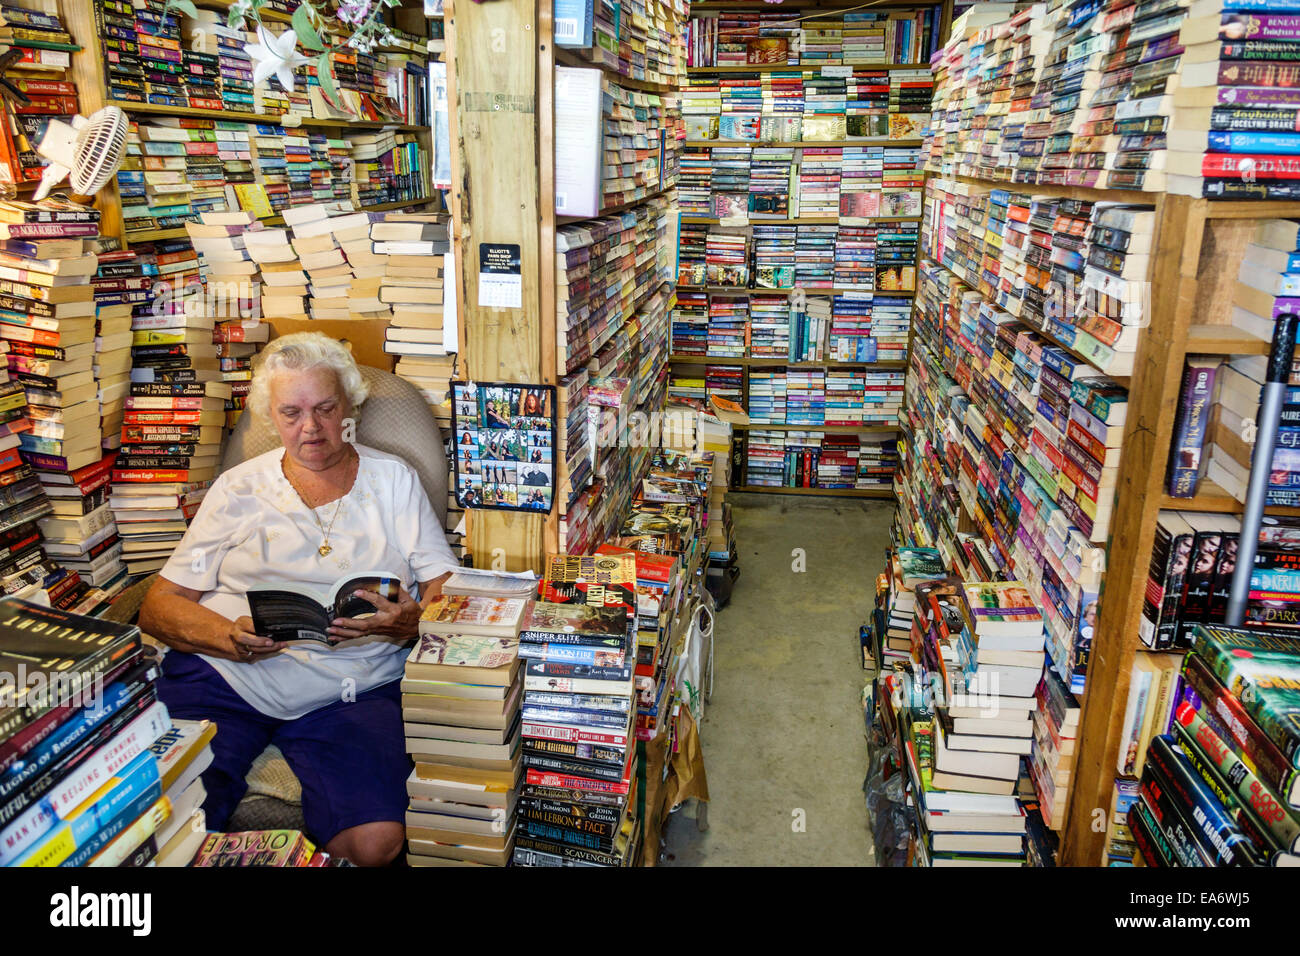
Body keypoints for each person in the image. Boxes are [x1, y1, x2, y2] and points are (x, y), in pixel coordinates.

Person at [141, 332, 458, 867]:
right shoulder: (238, 488)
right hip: (229, 676)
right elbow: (160, 605)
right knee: (158, 818)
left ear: (349, 406)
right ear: (271, 414)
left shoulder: (393, 480)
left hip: (352, 686)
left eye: (325, 409)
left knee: (376, 844)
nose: (309, 428)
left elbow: (444, 585)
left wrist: (412, 622)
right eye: (291, 413)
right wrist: (226, 636)